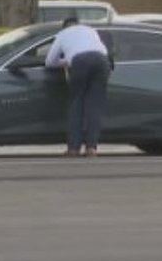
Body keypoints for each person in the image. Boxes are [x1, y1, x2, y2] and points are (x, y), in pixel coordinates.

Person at [45, 17, 112, 157]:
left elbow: (50, 62)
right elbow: (104, 51)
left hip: (80, 62)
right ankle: (91, 148)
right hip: (102, 61)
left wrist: (67, 61)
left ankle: (73, 148)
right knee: (95, 105)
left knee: (76, 104)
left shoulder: (62, 34)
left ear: (64, 27)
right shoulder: (90, 30)